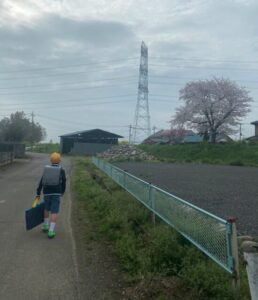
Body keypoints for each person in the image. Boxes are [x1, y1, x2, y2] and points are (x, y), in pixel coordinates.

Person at [36, 152, 66, 239]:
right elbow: (64, 181)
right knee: (54, 211)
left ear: (51, 160)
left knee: (46, 208)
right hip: (56, 192)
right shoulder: (61, 170)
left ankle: (45, 226)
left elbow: (42, 180)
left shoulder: (47, 169)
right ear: (59, 161)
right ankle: (51, 231)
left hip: (47, 192)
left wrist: (38, 191)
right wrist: (62, 191)